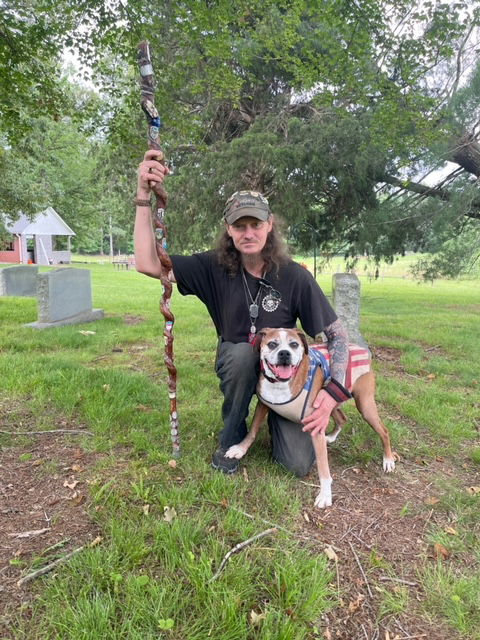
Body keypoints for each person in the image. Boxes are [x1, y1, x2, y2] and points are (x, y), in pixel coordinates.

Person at [134, 149, 349, 476]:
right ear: (229, 229)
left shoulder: (294, 276)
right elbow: (147, 263)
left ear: (270, 225)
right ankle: (232, 433)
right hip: (238, 361)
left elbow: (338, 337)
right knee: (241, 355)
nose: (248, 233)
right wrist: (143, 196)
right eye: (240, 225)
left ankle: (280, 411)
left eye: (256, 224)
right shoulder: (212, 267)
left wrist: (332, 393)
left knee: (297, 464)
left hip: (286, 372)